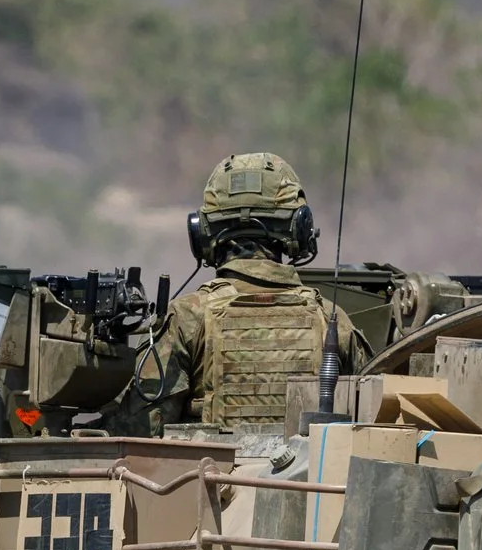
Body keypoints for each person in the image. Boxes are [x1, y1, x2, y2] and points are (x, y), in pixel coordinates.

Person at [135, 152, 364, 431]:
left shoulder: (186, 318)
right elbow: (368, 424)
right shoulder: (331, 319)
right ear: (300, 228)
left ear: (201, 234)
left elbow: (142, 428)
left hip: (206, 474)